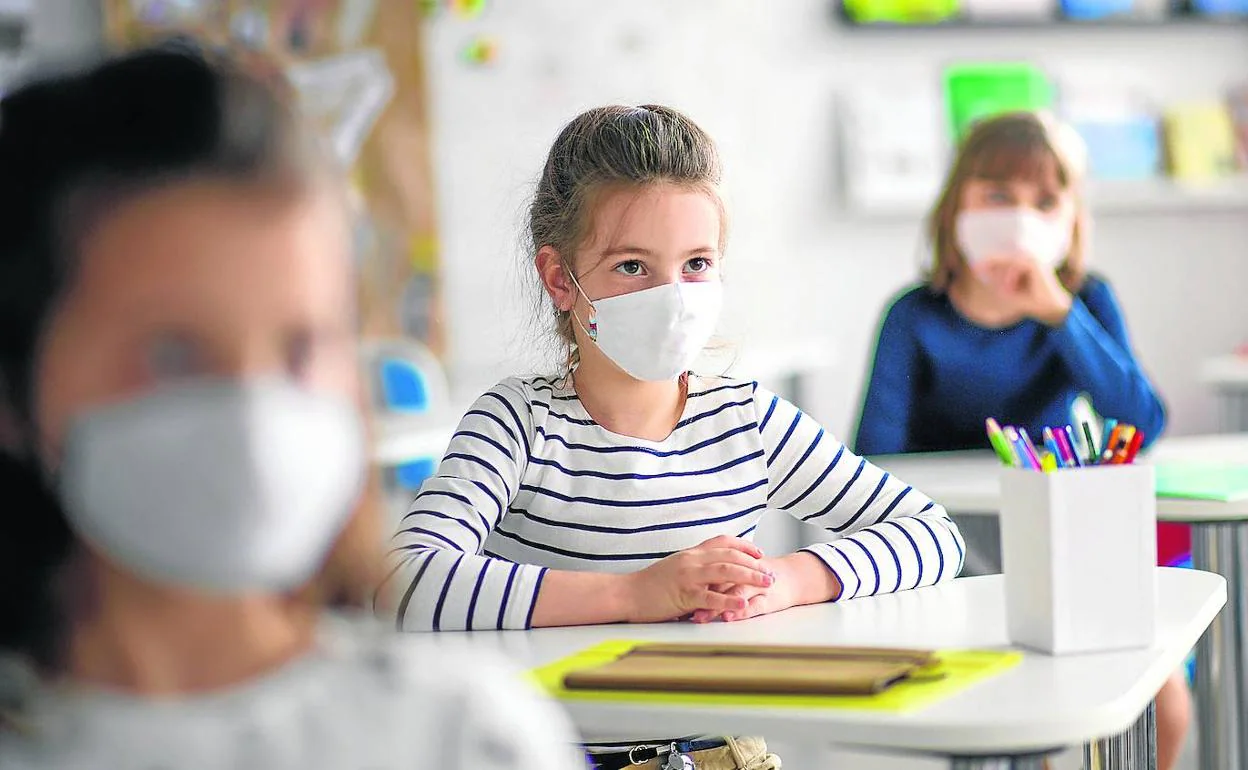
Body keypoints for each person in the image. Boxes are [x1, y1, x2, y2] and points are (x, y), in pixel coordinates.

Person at [0, 44, 582, 770]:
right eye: (173, 354)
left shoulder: (463, 739)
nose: (253, 410)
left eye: (303, 347)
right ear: (17, 383)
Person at [380, 104, 966, 770]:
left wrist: (782, 581)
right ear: (558, 278)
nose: (672, 294)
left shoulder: (745, 420)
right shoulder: (517, 424)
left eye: (695, 264)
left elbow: (933, 533)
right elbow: (405, 581)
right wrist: (634, 595)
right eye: (632, 266)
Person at [853, 111, 1187, 770]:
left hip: (1067, 537)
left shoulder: (1087, 301)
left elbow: (1141, 421)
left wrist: (1061, 314)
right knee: (1006, 715)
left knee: (1165, 702)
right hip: (954, 547)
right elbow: (874, 457)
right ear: (956, 209)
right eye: (998, 196)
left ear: (1070, 222)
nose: (1020, 216)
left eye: (1044, 201)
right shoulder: (913, 317)